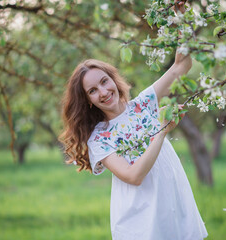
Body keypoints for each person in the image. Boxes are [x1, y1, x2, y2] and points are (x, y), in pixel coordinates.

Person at [60, 2, 208, 239]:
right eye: (92, 90)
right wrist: (162, 131)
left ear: (113, 79)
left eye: (104, 81)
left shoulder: (143, 103)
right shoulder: (99, 138)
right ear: (87, 100)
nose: (103, 92)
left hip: (173, 204)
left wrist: (182, 19)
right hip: (141, 222)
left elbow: (182, 64)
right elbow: (133, 176)